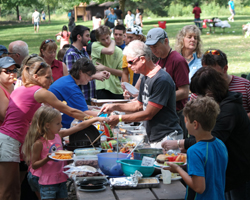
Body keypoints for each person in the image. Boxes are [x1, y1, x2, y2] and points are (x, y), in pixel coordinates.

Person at [0, 59, 92, 199]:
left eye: (51, 77)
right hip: (10, 140)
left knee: (15, 188)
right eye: (48, 77)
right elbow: (71, 111)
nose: (51, 81)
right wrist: (94, 119)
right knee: (7, 189)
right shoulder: (40, 92)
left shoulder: (21, 89)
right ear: (36, 77)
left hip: (16, 141)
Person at [162, 67, 250, 200]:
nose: (196, 97)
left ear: (209, 92)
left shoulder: (229, 109)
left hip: (238, 172)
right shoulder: (218, 142)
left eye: (199, 94)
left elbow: (207, 137)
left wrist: (180, 146)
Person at [100, 40, 183, 147]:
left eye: (130, 62)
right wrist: (114, 107)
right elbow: (139, 105)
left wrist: (119, 118)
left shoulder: (161, 80)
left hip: (167, 136)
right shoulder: (145, 77)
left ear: (142, 59)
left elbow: (148, 113)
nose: (129, 66)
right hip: (156, 136)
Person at [22, 106, 106, 200]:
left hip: (59, 177)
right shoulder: (39, 143)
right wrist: (47, 158)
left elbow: (79, 127)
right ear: (47, 125)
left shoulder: (58, 135)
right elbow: (34, 165)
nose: (61, 126)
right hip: (45, 179)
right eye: (58, 123)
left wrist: (96, 119)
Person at [168, 96, 228, 200]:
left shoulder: (194, 151)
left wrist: (178, 169)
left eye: (186, 121)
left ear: (195, 124)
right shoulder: (221, 144)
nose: (185, 124)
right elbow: (210, 165)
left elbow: (199, 188)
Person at [146, 28, 189, 139]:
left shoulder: (177, 60)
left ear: (165, 41)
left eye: (155, 46)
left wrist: (159, 99)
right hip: (164, 116)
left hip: (176, 117)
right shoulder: (159, 61)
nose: (153, 50)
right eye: (150, 48)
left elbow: (184, 92)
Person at [191, 49, 250, 119]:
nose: (208, 77)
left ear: (225, 69)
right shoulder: (200, 87)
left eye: (214, 73)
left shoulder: (245, 85)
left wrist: (238, 121)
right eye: (205, 72)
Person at [63, 25, 110, 104]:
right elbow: (73, 77)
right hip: (78, 98)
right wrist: (95, 76)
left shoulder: (84, 52)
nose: (89, 39)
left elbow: (87, 71)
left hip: (89, 97)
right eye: (87, 36)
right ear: (79, 37)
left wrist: (100, 73)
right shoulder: (71, 54)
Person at [49, 57, 99, 128]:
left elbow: (68, 103)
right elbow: (84, 114)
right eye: (89, 75)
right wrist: (110, 116)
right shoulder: (72, 88)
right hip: (59, 126)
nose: (91, 78)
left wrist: (88, 107)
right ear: (81, 72)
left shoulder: (67, 80)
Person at [92, 25, 123, 99]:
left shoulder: (119, 51)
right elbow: (110, 51)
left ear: (110, 35)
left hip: (116, 88)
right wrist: (113, 41)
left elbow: (122, 73)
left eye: (107, 38)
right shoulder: (95, 45)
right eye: (103, 39)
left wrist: (104, 68)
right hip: (101, 86)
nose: (106, 41)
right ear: (98, 40)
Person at [0, 57, 19, 126]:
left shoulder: (15, 86)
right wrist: (17, 94)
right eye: (7, 71)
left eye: (14, 70)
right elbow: (5, 116)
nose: (12, 74)